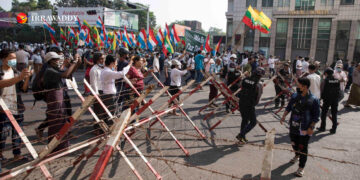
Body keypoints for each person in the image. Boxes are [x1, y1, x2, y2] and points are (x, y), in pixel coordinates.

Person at [280, 78, 320, 177]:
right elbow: (289, 107)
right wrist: (284, 116)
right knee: (294, 143)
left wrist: (311, 127)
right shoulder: (294, 96)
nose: (297, 86)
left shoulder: (313, 99)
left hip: (305, 128)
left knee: (303, 147)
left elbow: (316, 115)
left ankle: (301, 167)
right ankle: (296, 155)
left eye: (299, 85)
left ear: (305, 86)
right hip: (293, 126)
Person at [42, 51, 80, 152]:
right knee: (56, 121)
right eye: (56, 59)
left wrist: (76, 63)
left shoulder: (54, 69)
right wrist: (74, 62)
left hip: (59, 95)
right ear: (50, 61)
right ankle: (55, 146)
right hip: (54, 96)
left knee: (62, 119)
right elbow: (66, 74)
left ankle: (61, 145)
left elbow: (69, 74)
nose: (58, 61)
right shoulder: (49, 70)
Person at [0, 49, 31, 164]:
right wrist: (19, 78)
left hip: (17, 107)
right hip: (3, 109)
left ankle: (17, 154)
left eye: (15, 59)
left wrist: (27, 77)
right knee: (3, 132)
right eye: (11, 58)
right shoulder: (1, 73)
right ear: (3, 59)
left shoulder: (16, 72)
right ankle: (1, 154)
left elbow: (24, 89)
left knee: (18, 132)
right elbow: (2, 84)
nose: (14, 61)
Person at [236, 67, 265, 143]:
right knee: (253, 122)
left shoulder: (245, 79)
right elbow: (258, 97)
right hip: (249, 104)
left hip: (241, 102)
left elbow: (240, 87)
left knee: (245, 119)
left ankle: (242, 137)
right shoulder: (258, 85)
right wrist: (254, 104)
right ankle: (241, 134)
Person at [101, 55, 132, 119]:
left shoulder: (106, 71)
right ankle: (111, 127)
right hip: (109, 95)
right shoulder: (107, 71)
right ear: (112, 63)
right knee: (112, 113)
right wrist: (129, 65)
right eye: (115, 63)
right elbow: (121, 74)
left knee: (111, 112)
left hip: (108, 93)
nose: (116, 65)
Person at [318, 68, 340, 134]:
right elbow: (338, 90)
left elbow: (322, 90)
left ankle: (322, 127)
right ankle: (334, 129)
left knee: (324, 113)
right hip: (335, 99)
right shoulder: (337, 80)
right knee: (334, 114)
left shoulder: (326, 80)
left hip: (327, 99)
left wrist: (321, 98)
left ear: (326, 74)